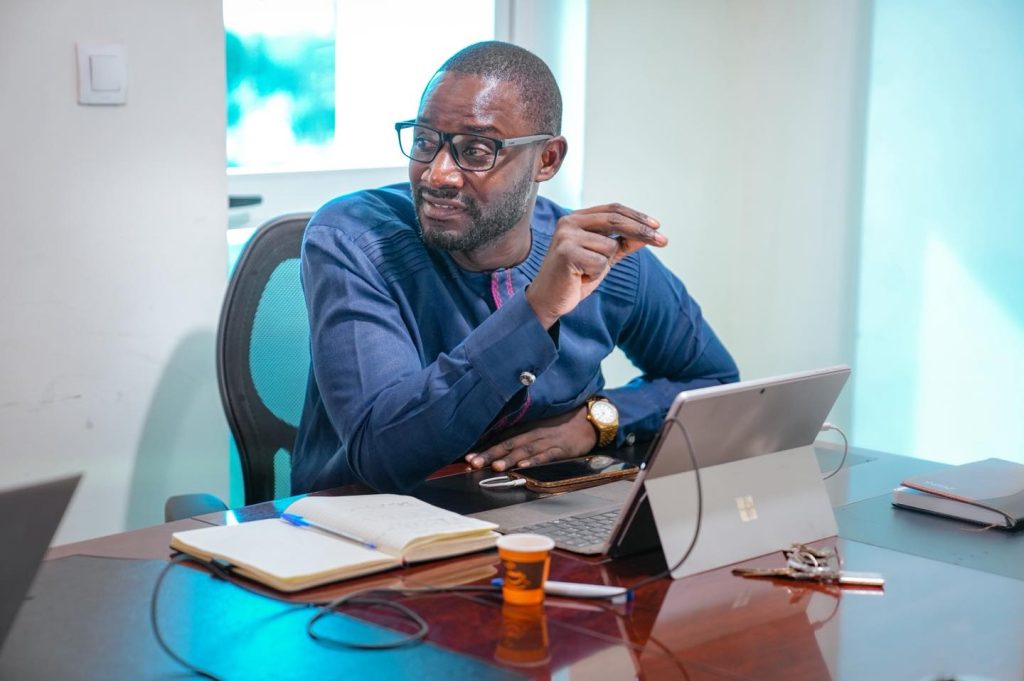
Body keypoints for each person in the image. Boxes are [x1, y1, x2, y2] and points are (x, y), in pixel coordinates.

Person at [291, 41, 738, 495]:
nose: (437, 174)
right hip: (373, 519)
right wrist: (536, 310)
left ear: (547, 159)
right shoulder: (356, 238)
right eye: (424, 142)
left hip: (539, 508)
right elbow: (382, 452)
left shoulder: (596, 262)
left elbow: (714, 382)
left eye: (476, 150)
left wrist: (596, 422)